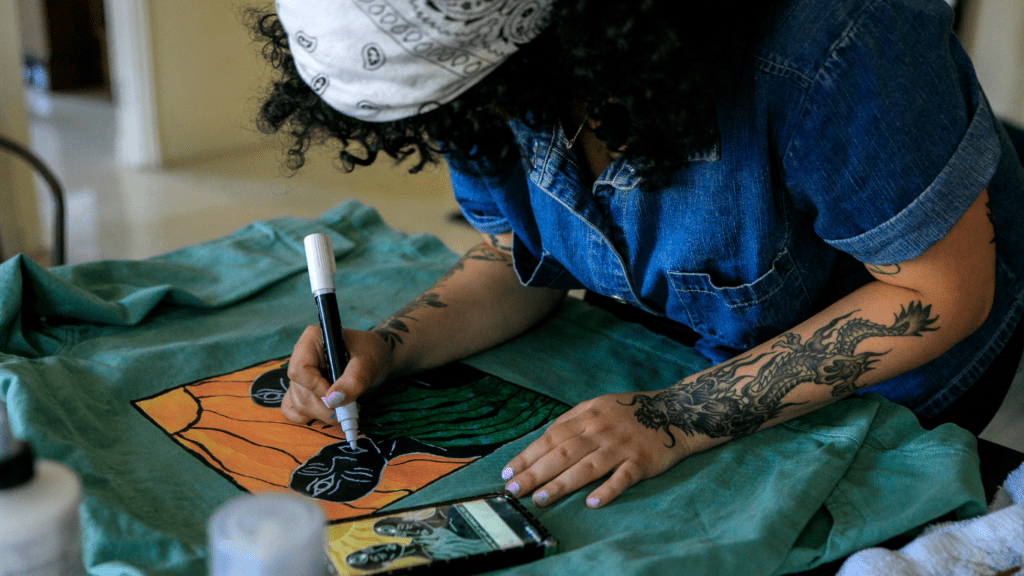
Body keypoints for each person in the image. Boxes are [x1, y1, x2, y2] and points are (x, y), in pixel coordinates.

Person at [251, 0, 1024, 509]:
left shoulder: (839, 38)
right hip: (688, 331)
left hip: (904, 355)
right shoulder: (482, 90)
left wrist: (677, 415)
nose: (481, 126)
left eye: (489, 98)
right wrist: (388, 347)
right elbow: (525, 256)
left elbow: (940, 290)